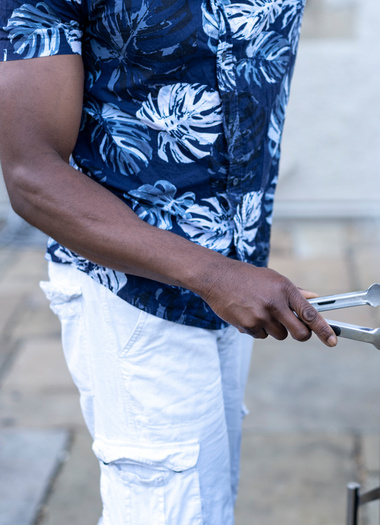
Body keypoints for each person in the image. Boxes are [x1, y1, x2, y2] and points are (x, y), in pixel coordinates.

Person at [0, 0, 336, 523]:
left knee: (208, 504)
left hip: (237, 278)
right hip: (131, 293)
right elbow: (32, 175)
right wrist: (213, 275)